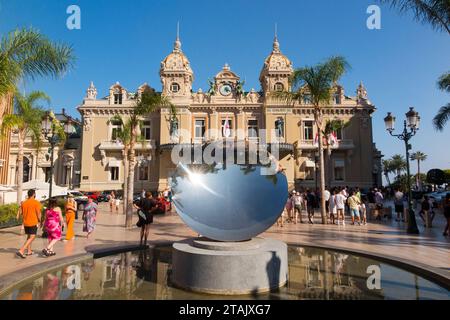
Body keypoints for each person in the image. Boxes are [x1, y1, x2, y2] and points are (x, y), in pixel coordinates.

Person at [16, 189, 42, 259]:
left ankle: (29, 251)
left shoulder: (24, 202)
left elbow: (21, 213)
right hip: (33, 222)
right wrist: (40, 221)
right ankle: (21, 250)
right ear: (33, 194)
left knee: (28, 237)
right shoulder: (36, 202)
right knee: (32, 237)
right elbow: (38, 213)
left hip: (26, 223)